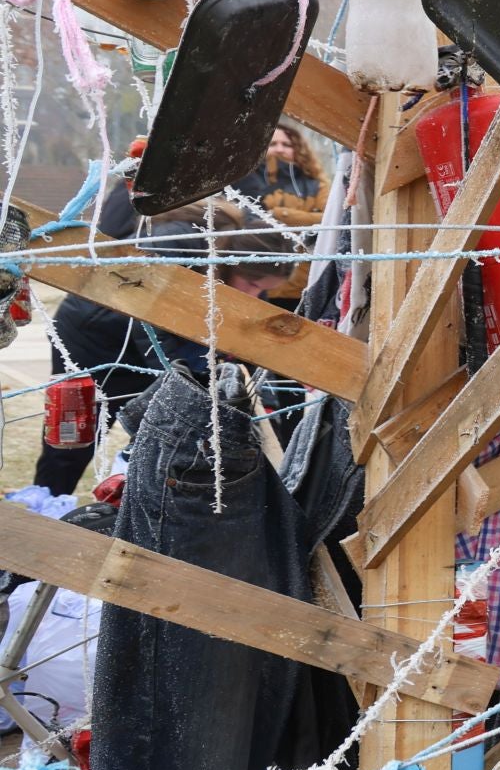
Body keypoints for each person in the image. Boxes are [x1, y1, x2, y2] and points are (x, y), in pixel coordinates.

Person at [32, 205, 294, 496]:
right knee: (78, 428)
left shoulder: (245, 269)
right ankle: (49, 500)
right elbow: (142, 314)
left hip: (158, 340)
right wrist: (178, 378)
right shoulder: (173, 243)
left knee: (160, 428)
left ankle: (134, 499)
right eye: (253, 285)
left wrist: (260, 391)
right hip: (97, 333)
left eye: (263, 291)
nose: (254, 295)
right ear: (232, 264)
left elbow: (248, 332)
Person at [236, 120, 327, 309]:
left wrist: (280, 214)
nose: (279, 150)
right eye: (272, 144)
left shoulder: (317, 184)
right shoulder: (246, 181)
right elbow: (244, 220)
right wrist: (305, 217)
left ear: (298, 149)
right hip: (255, 282)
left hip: (302, 286)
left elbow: (329, 221)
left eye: (286, 144)